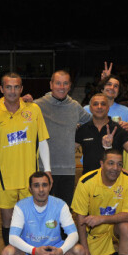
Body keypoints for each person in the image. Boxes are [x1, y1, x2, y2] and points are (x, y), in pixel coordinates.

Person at [0, 72, 52, 252]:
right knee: (8, 220)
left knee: (32, 219)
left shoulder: (33, 110)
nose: (12, 91)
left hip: (31, 178)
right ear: (1, 89)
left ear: (21, 89)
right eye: (8, 87)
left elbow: (42, 141)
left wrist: (48, 170)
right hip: (4, 178)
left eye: (16, 87)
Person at [0, 171, 85, 255]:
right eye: (36, 185)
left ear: (50, 187)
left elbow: (74, 234)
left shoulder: (60, 205)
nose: (41, 189)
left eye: (44, 185)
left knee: (79, 252)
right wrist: (34, 251)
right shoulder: (21, 206)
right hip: (29, 251)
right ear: (30, 189)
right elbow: (12, 238)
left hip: (54, 250)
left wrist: (60, 251)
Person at [71, 149, 128, 255]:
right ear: (102, 164)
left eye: (119, 164)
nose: (115, 168)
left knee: (126, 227)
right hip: (96, 232)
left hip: (115, 226)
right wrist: (85, 250)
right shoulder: (86, 182)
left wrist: (102, 219)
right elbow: (80, 218)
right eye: (111, 163)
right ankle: (121, 254)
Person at [34, 70, 91, 206]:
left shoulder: (75, 107)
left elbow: (94, 121)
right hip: (43, 169)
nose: (62, 87)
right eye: (58, 83)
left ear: (70, 86)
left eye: (65, 83)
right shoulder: (37, 106)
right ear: (51, 85)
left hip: (68, 170)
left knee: (64, 212)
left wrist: (118, 123)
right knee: (42, 211)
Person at [76, 93, 128, 175]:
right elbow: (69, 148)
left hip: (114, 181)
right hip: (89, 181)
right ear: (90, 108)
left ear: (108, 108)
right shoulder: (83, 129)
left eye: (103, 104)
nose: (99, 107)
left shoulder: (118, 129)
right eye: (95, 104)